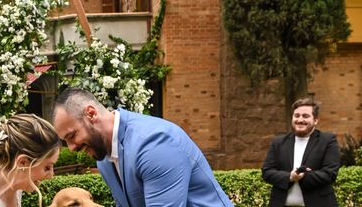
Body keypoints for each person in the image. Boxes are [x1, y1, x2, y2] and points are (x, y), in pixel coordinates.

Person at [52, 88, 233, 207]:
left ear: (91, 114)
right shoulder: (104, 158)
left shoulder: (156, 143)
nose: (72, 147)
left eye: (72, 136)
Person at [262, 97, 340, 207]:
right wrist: (290, 176)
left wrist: (302, 175)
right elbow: (267, 172)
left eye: (306, 116)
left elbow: (330, 173)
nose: (300, 119)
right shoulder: (278, 142)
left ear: (315, 120)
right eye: (296, 115)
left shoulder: (327, 141)